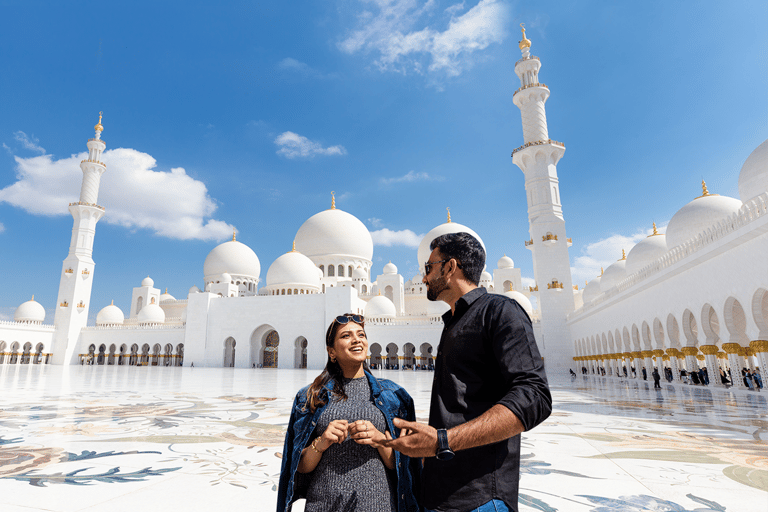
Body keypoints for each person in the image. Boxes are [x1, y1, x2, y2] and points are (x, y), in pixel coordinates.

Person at [381, 232, 552, 512]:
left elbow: (534, 397)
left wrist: (442, 441)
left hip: (480, 497)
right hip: (442, 491)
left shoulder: (499, 311)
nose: (424, 278)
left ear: (450, 267)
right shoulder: (454, 322)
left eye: (429, 268)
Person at [277, 314, 419, 512]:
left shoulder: (394, 396)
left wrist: (379, 440)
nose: (356, 339)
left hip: (378, 505)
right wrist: (322, 441)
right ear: (332, 351)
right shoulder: (310, 396)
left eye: (361, 334)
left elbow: (404, 464)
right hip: (324, 505)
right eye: (346, 336)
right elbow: (300, 466)